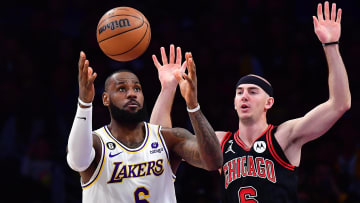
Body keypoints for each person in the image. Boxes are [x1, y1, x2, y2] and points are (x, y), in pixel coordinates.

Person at [154, 2, 351, 202]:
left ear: (269, 103)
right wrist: (168, 88)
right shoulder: (220, 142)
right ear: (234, 103)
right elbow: (159, 145)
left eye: (253, 91)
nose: (244, 96)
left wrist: (331, 45)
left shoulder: (283, 136)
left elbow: (339, 104)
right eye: (239, 92)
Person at [66, 45, 223, 203]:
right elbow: (77, 162)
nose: (132, 94)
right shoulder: (96, 143)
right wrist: (85, 104)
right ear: (106, 99)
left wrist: (193, 105)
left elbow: (214, 161)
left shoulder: (169, 138)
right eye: (122, 89)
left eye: (137, 88)